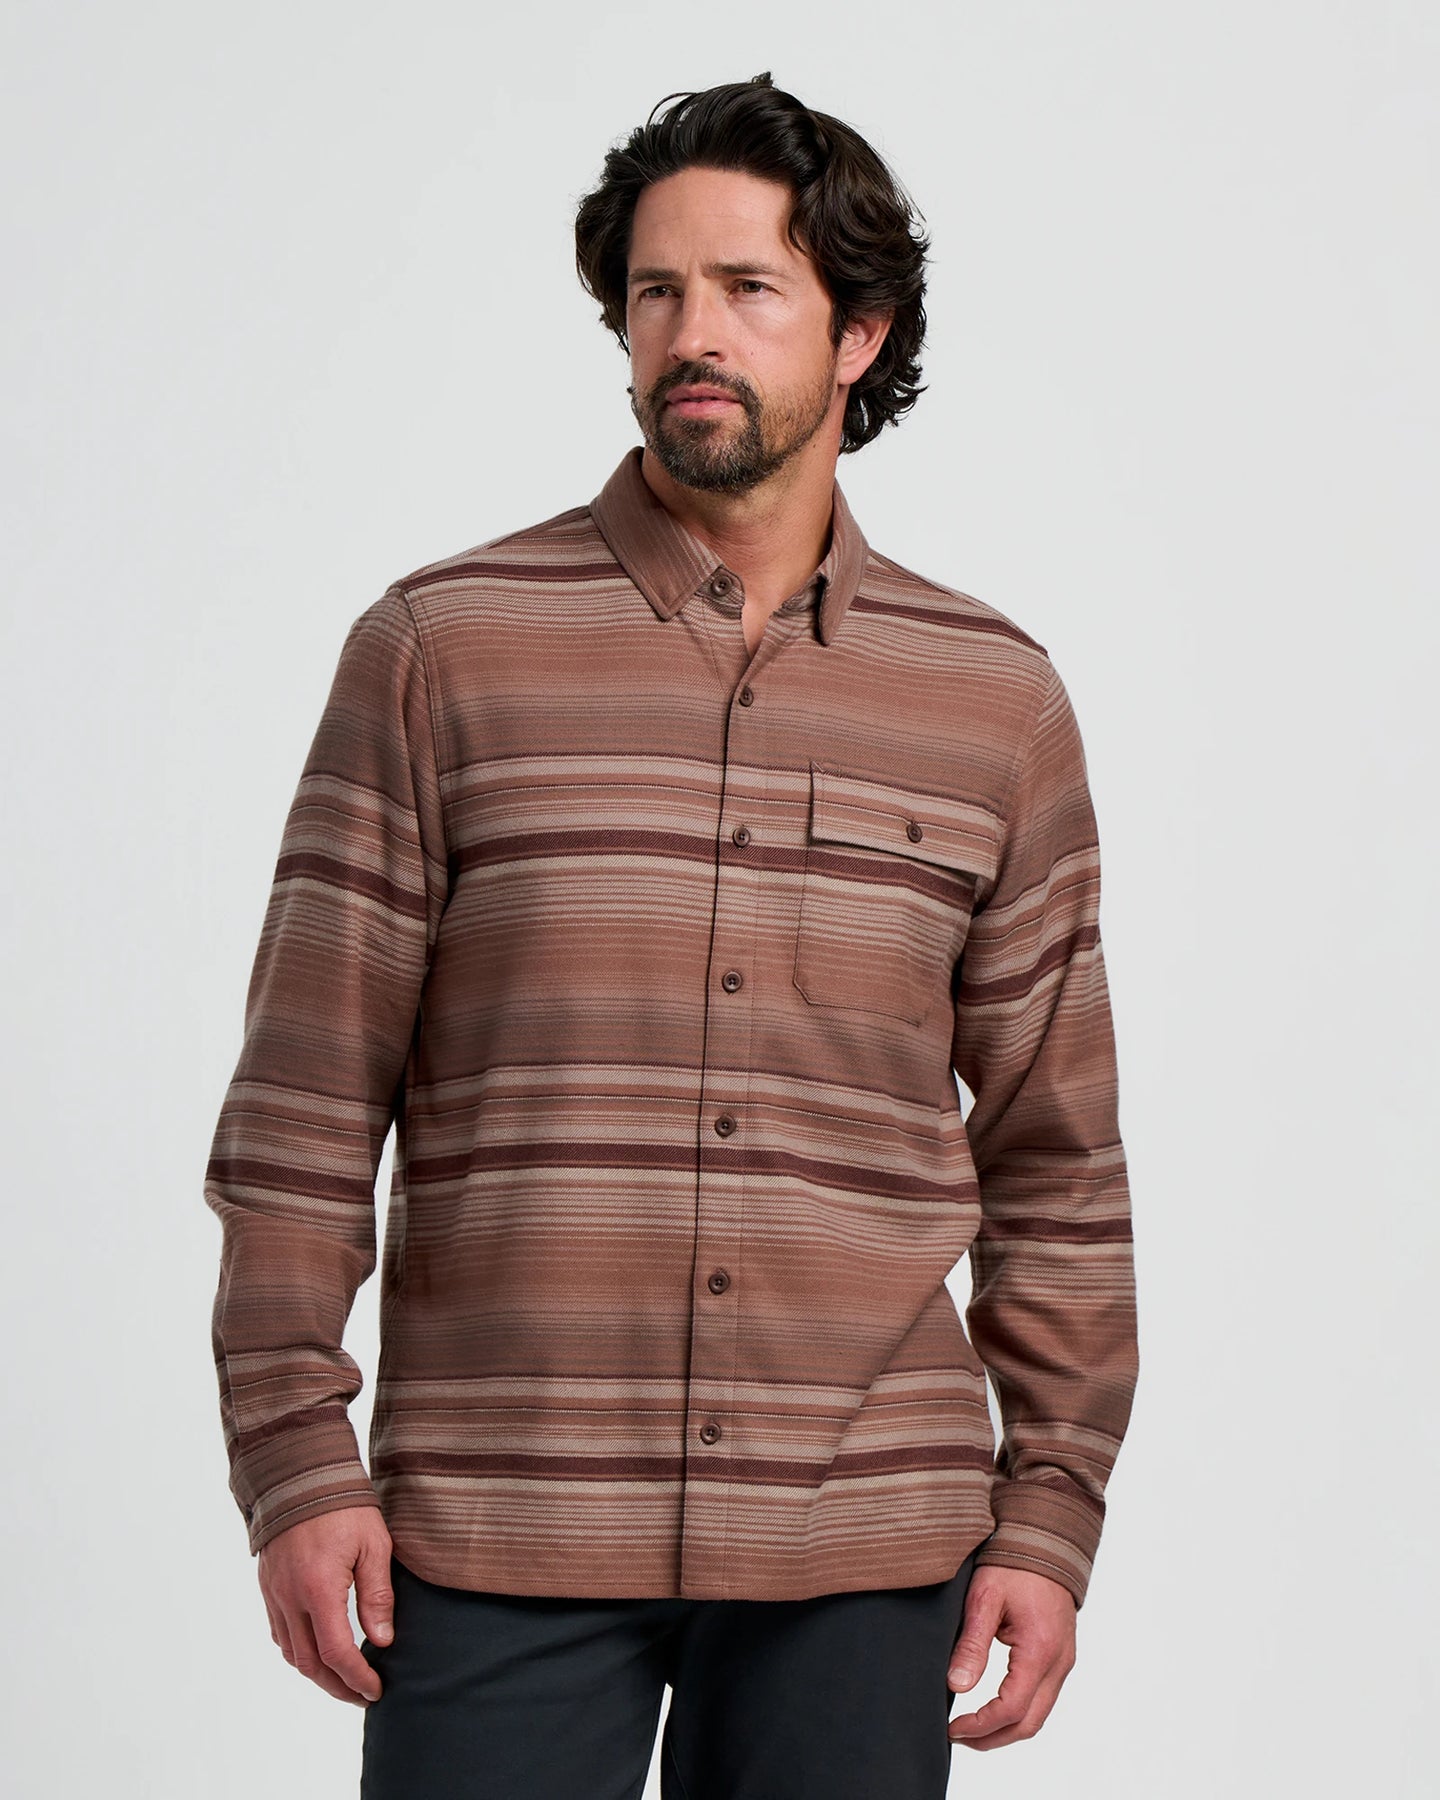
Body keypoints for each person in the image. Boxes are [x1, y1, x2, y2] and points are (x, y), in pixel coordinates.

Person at [204, 72, 1139, 1799]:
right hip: (497, 1522)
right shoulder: (440, 652)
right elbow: (306, 1106)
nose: (690, 334)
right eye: (656, 291)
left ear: (860, 335)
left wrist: (1052, 1508)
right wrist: (296, 1460)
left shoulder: (993, 702)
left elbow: (1056, 1159)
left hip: (866, 1540)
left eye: (748, 288)